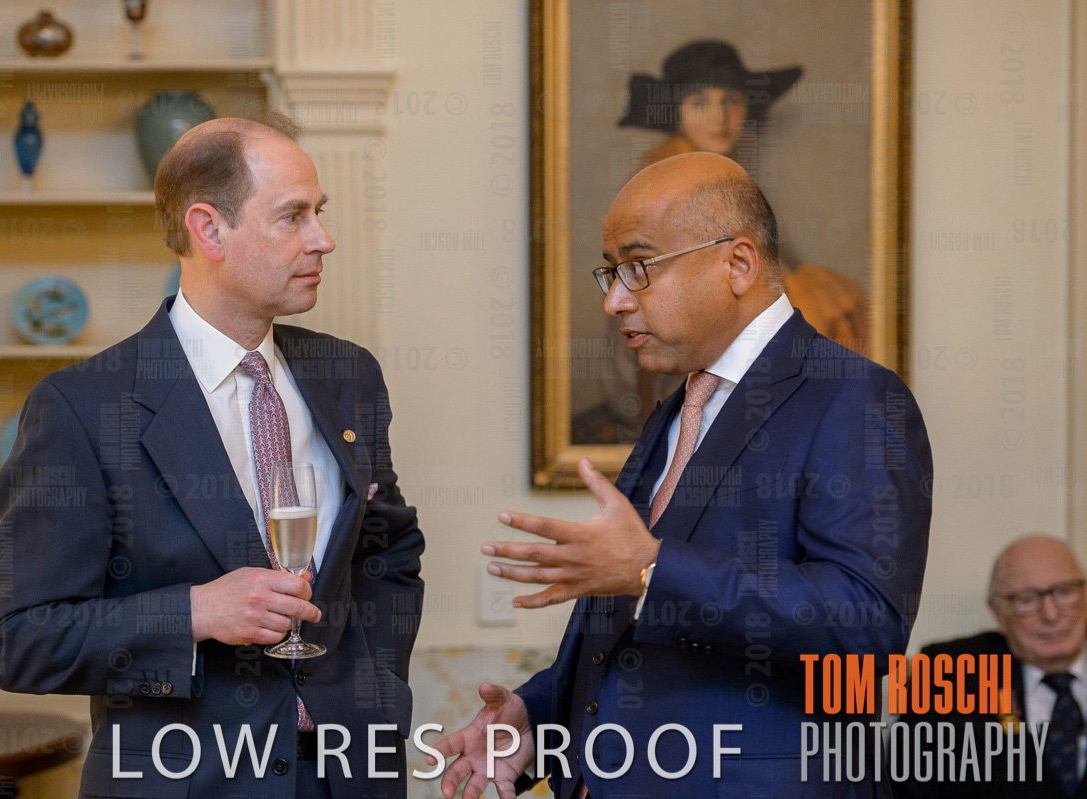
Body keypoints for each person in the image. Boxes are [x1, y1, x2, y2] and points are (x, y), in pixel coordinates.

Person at [433, 152, 932, 798]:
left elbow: (865, 625)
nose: (614, 301)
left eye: (638, 268)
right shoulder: (679, 407)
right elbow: (640, 640)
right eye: (611, 272)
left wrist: (652, 568)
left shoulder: (853, 397)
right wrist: (538, 714)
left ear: (738, 263)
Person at [0, 113, 424, 799]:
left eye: (320, 213)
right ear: (209, 230)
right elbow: (18, 640)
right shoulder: (81, 407)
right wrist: (193, 612)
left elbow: (387, 551)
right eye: (293, 217)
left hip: (349, 777)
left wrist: (377, 687)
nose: (323, 239)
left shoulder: (350, 375)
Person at [619, 39, 869, 355]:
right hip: (684, 318)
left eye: (731, 101)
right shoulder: (676, 172)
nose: (719, 118)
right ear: (675, 113)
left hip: (723, 297)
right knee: (835, 311)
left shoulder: (712, 168)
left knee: (839, 304)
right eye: (700, 104)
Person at [893, 535, 1087, 799]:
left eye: (1065, 591)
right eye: (1026, 599)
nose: (1050, 614)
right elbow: (907, 788)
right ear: (998, 612)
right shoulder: (948, 674)